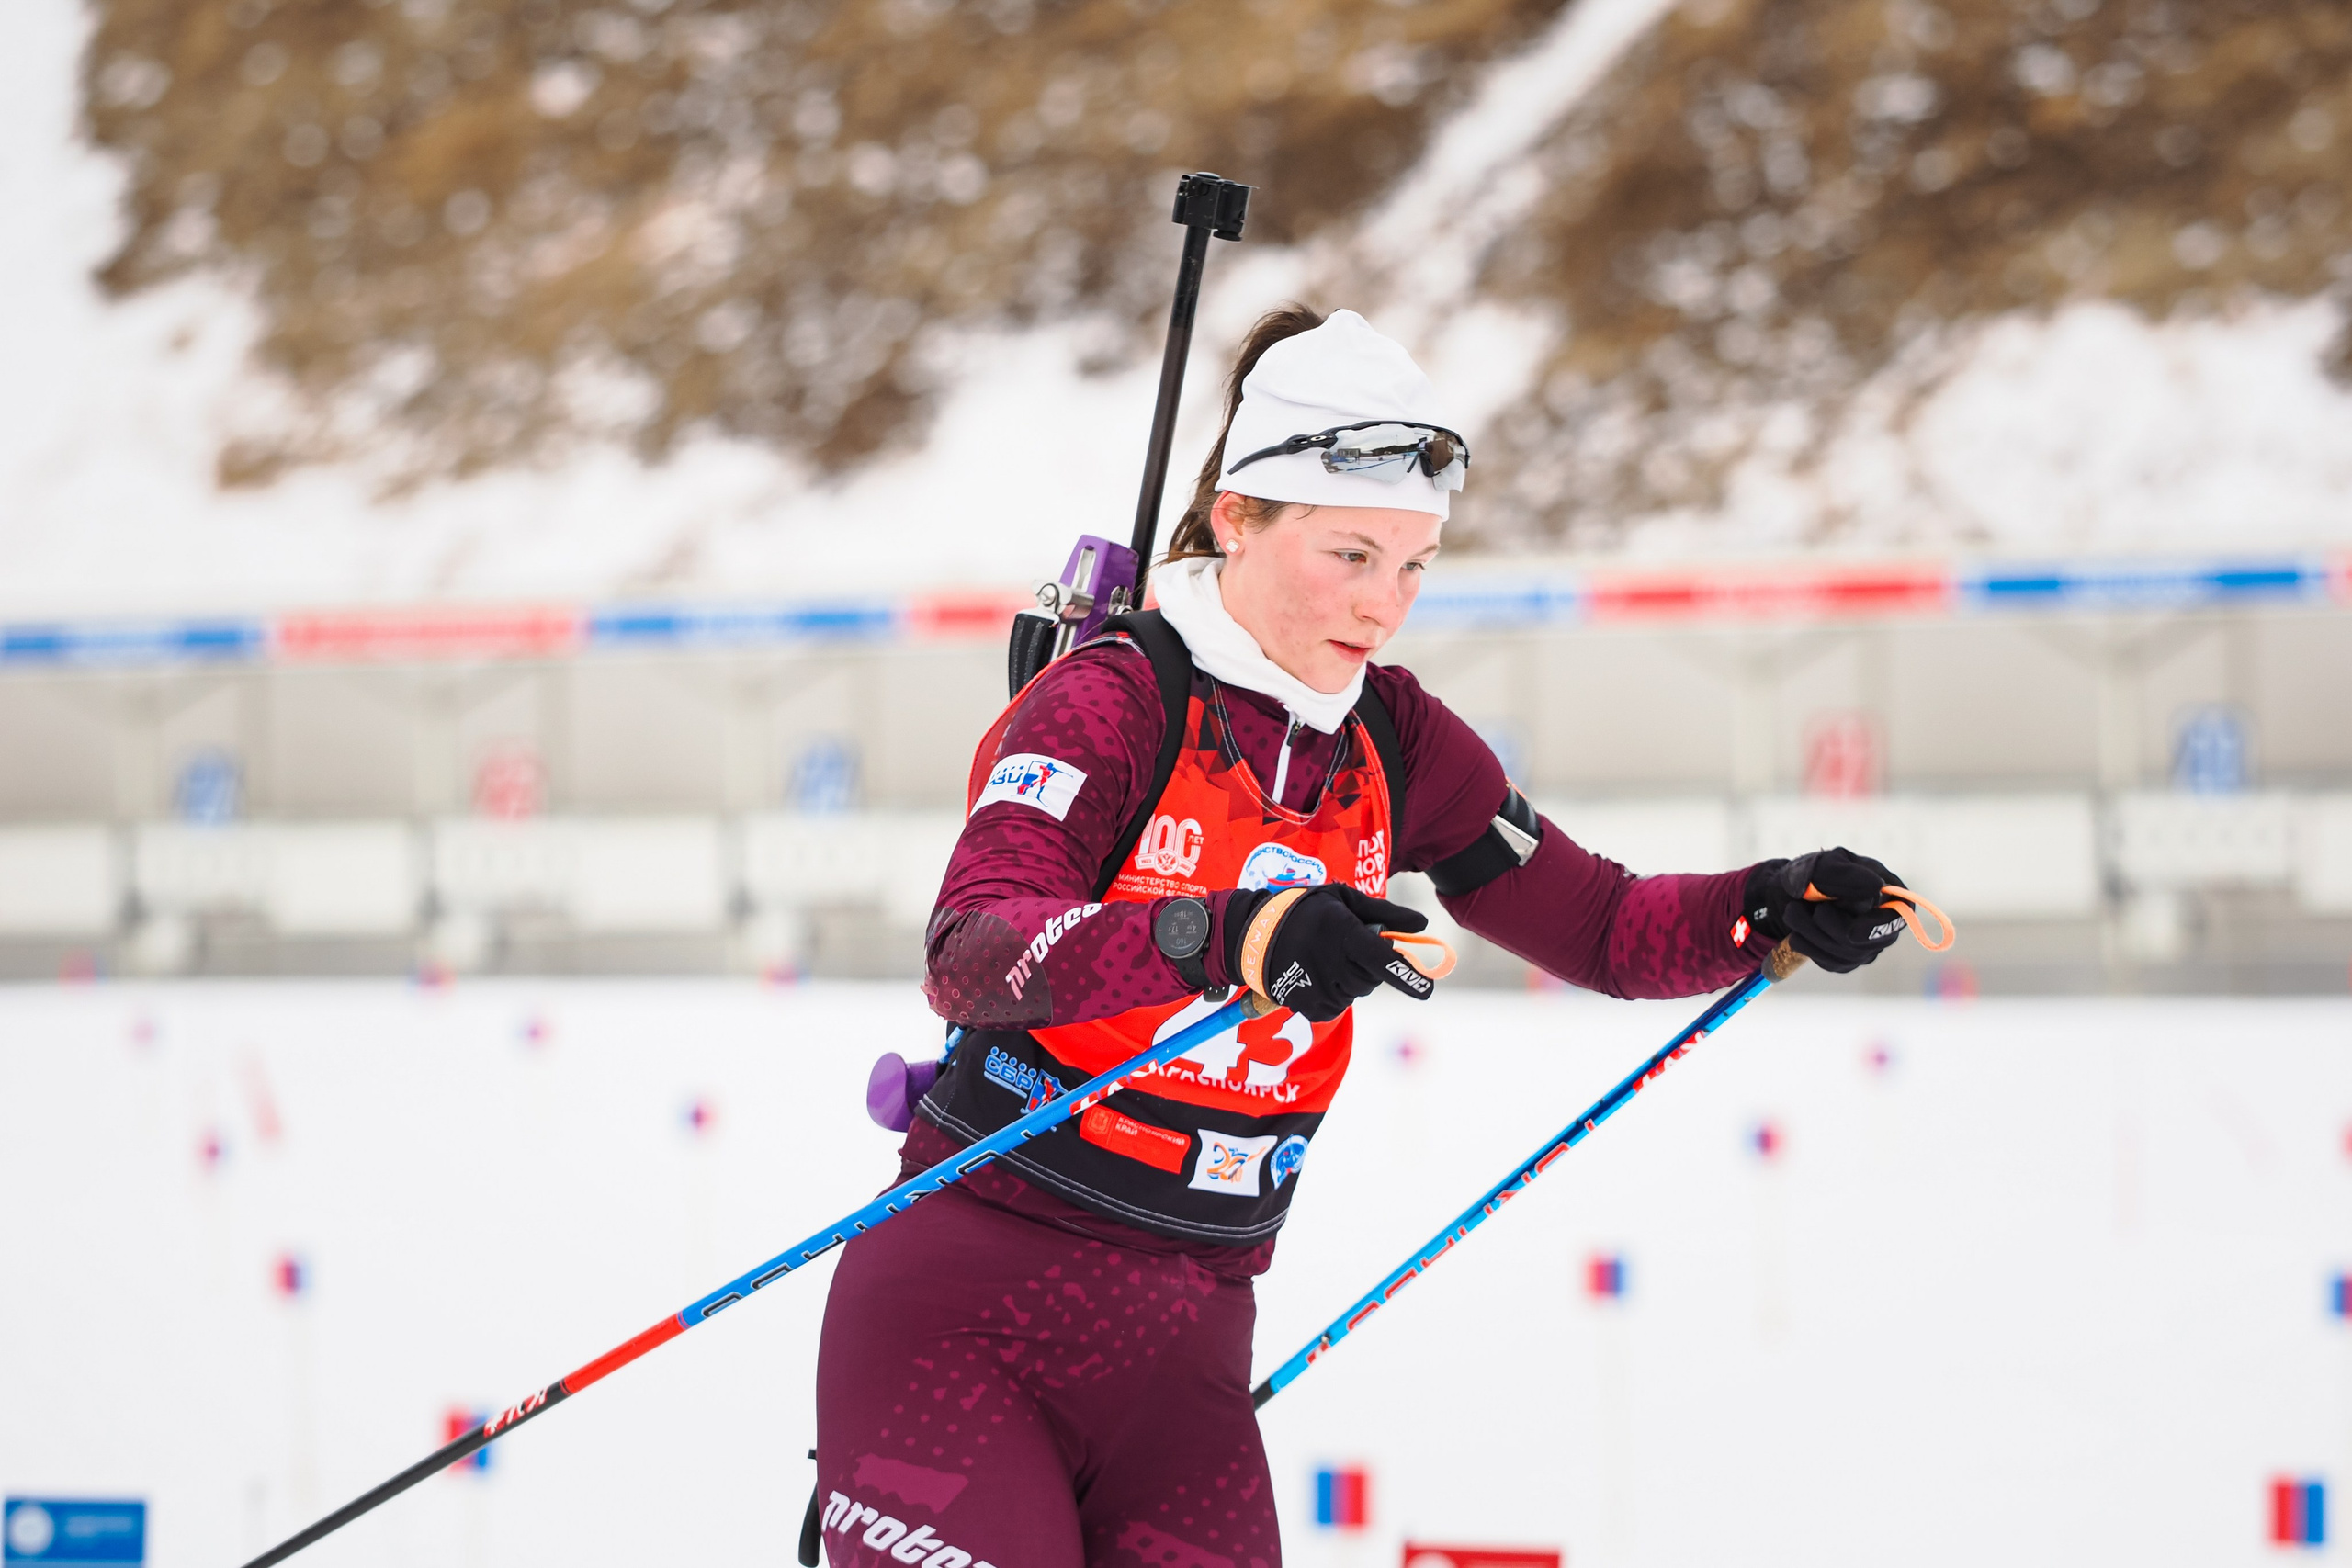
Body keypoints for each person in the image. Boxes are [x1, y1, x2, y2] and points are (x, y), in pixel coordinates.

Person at [812, 306, 1908, 1568]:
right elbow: (975, 950)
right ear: (1238, 518)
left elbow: (1603, 926)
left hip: (1189, 1338)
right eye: (1348, 556)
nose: (1383, 606)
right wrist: (1233, 935)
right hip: (972, 1304)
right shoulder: (1111, 700)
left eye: (1413, 566)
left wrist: (1762, 903)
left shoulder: (1393, 737)